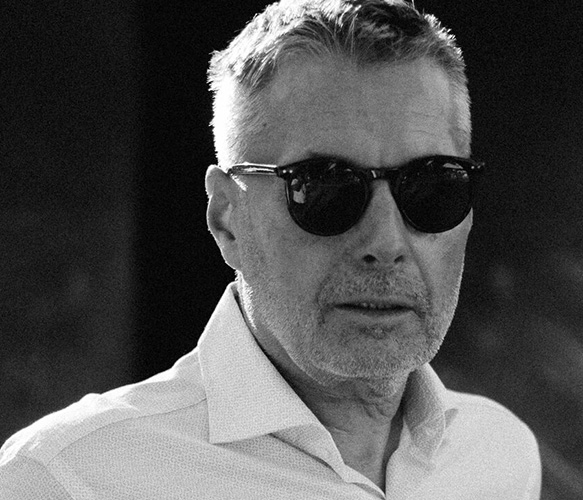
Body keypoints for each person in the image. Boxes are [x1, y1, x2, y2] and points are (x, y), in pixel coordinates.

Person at [0, 0, 541, 498]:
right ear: (226, 218)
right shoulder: (68, 479)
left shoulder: (499, 456)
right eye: (324, 189)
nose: (385, 243)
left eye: (433, 186)